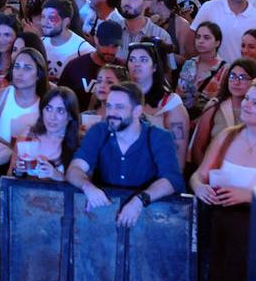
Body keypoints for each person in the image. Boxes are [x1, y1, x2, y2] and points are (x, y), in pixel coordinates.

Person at [66, 82, 185, 228]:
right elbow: (74, 169)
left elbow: (172, 179)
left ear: (137, 111)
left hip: (150, 218)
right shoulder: (99, 131)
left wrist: (139, 200)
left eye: (119, 107)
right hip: (105, 215)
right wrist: (88, 187)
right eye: (109, 106)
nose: (111, 112)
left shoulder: (159, 137)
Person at [10, 86, 80, 181]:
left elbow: (83, 188)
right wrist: (18, 171)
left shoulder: (79, 145)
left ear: (71, 115)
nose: (52, 117)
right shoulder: (27, 135)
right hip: (24, 194)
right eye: (48, 109)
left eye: (60, 111)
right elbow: (9, 177)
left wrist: (57, 175)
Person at [0, 47, 47, 144]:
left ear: (39, 74)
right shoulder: (2, 95)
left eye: (27, 68)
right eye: (16, 67)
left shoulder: (47, 104)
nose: (19, 73)